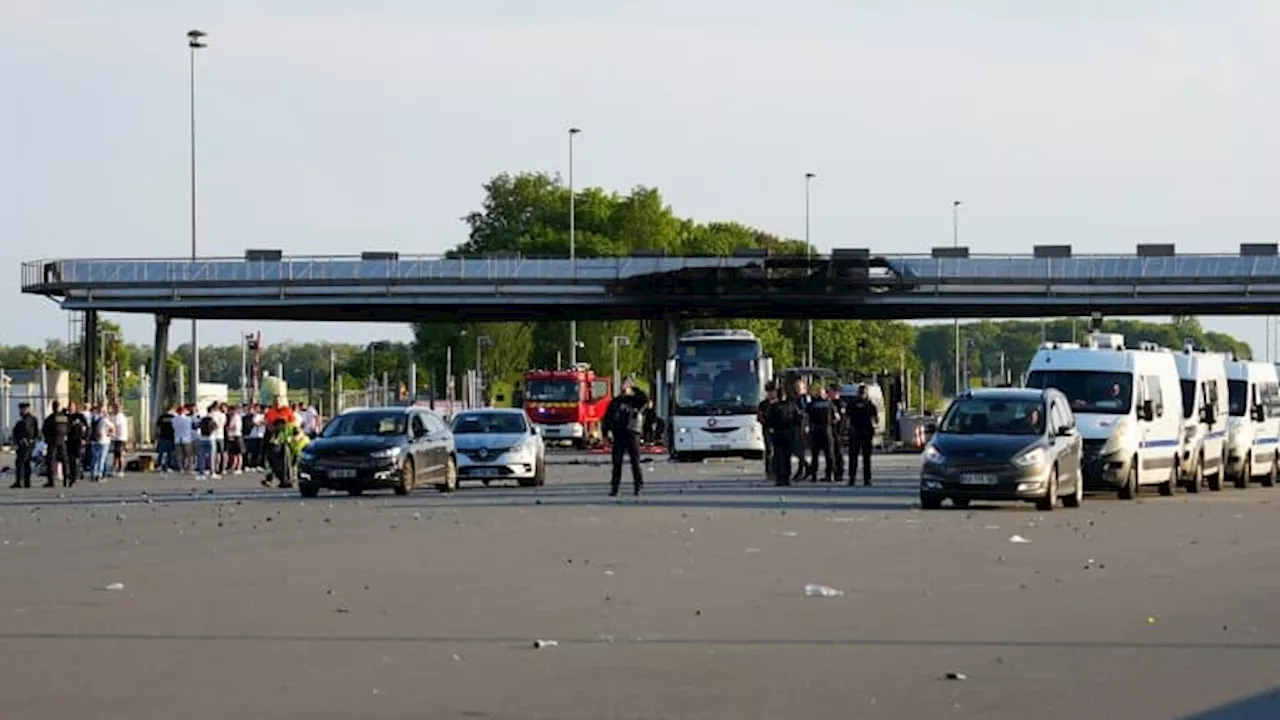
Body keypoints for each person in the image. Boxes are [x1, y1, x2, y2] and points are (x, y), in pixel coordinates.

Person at [604, 377, 647, 496]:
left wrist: (633, 388)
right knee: (617, 463)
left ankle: (638, 486)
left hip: (632, 433)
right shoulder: (616, 401)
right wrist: (605, 433)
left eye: (625, 385)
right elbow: (607, 417)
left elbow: (645, 399)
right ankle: (615, 488)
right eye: (622, 385)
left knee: (635, 461)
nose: (623, 387)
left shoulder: (635, 400)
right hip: (618, 434)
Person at [762, 384, 799, 486]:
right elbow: (798, 419)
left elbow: (769, 420)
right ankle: (786, 477)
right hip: (788, 433)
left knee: (779, 456)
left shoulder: (774, 407)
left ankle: (780, 477)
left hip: (778, 433)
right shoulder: (792, 405)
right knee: (786, 456)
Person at [846, 384, 879, 486]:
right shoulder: (859, 404)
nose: (862, 395)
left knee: (865, 457)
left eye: (863, 393)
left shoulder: (868, 404)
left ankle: (866, 478)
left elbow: (875, 418)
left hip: (864, 432)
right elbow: (876, 419)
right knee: (854, 457)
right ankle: (853, 478)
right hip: (857, 432)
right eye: (861, 393)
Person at [806, 386, 836, 482]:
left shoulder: (812, 404)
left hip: (815, 430)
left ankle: (814, 475)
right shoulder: (830, 404)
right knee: (829, 454)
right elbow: (836, 418)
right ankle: (829, 475)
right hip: (826, 430)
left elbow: (806, 417)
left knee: (815, 454)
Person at [10, 402, 39, 489]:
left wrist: (26, 439)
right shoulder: (32, 419)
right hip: (27, 443)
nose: (20, 411)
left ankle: (20, 481)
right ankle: (26, 482)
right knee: (25, 463)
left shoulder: (27, 420)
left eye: (22, 409)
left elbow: (27, 431)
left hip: (25, 444)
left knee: (21, 463)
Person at [42, 401, 70, 488]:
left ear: (53, 408)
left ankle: (51, 481)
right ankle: (66, 480)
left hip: (52, 441)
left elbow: (45, 430)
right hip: (62, 440)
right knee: (65, 460)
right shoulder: (64, 417)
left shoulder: (50, 418)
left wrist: (47, 439)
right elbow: (68, 428)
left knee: (50, 460)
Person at [790, 379, 812, 482]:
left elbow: (806, 412)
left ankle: (802, 470)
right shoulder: (795, 399)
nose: (797, 389)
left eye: (800, 387)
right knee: (796, 449)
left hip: (802, 426)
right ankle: (807, 467)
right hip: (795, 426)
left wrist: (807, 425)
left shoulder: (805, 399)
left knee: (799, 449)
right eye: (796, 387)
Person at [828, 384, 850, 483]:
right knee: (831, 453)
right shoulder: (829, 403)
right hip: (831, 432)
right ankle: (831, 472)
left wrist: (841, 432)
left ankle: (839, 473)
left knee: (838, 453)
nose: (828, 393)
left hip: (838, 432)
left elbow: (843, 420)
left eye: (830, 391)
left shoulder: (841, 404)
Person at [88, 405, 115, 482]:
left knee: (94, 458)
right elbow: (112, 427)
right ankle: (99, 475)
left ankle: (93, 474)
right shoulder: (105, 419)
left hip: (94, 440)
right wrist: (110, 434)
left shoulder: (93, 418)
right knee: (101, 459)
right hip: (104, 441)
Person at [65, 401, 88, 485]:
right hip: (69, 441)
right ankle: (72, 475)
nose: (70, 408)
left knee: (77, 458)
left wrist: (85, 438)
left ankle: (77, 474)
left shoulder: (79, 416)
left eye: (72, 406)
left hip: (78, 440)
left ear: (75, 407)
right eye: (69, 406)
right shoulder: (66, 417)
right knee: (70, 459)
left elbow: (87, 427)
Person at [155, 405, 176, 472]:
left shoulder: (162, 417)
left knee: (161, 452)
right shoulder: (174, 418)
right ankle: (168, 466)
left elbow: (158, 425)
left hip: (162, 436)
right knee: (169, 453)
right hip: (170, 437)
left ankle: (159, 465)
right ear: (171, 410)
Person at [225, 404, 244, 475]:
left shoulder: (236, 417)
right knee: (234, 453)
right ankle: (233, 466)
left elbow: (236, 427)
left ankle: (239, 468)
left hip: (237, 436)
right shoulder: (232, 417)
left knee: (239, 453)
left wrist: (229, 428)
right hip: (232, 436)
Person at [110, 404, 128, 476]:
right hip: (122, 437)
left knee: (119, 454)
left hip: (119, 438)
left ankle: (120, 470)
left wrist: (110, 434)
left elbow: (114, 426)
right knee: (117, 455)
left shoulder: (118, 417)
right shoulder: (123, 417)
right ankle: (115, 469)